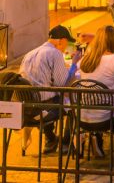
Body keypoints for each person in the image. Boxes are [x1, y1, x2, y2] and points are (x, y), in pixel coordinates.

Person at [19, 26, 81, 154]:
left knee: (50, 96)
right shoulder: (54, 53)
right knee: (74, 102)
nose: (66, 47)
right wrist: (74, 64)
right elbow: (62, 84)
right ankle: (65, 143)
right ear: (61, 40)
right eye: (66, 43)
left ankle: (50, 139)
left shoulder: (30, 53)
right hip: (43, 108)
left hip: (26, 108)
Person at [78, 26, 114, 157]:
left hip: (84, 117)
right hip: (109, 117)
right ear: (113, 41)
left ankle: (94, 135)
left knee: (102, 101)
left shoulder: (85, 59)